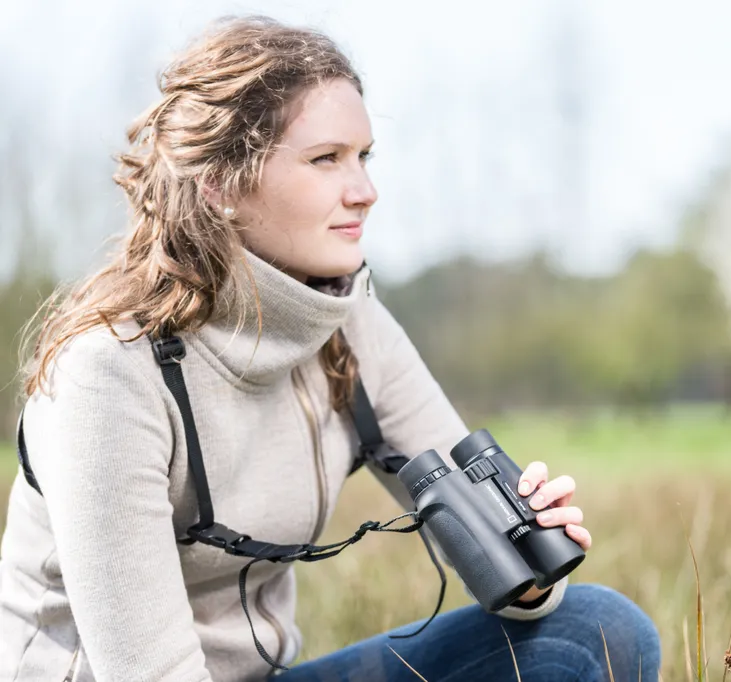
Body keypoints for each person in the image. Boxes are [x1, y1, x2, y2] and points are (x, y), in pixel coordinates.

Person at [0, 15, 661, 682]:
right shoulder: (109, 376)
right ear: (221, 185)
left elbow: (519, 594)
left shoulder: (351, 326)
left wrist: (527, 563)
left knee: (598, 635)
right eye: (326, 160)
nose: (365, 191)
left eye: (364, 156)